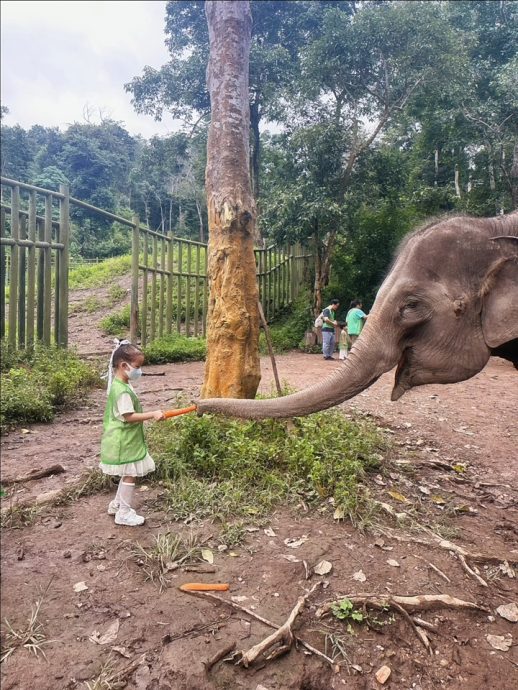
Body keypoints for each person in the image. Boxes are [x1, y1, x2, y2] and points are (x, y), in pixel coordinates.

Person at [100, 340, 164, 526]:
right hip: (124, 440)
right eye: (137, 367)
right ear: (123, 365)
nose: (139, 371)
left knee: (126, 472)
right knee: (130, 474)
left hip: (123, 438)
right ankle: (124, 513)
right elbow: (128, 416)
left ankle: (117, 504)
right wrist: (152, 414)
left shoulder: (121, 384)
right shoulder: (122, 391)